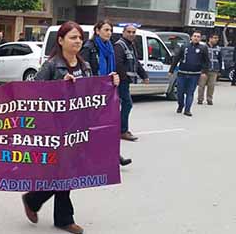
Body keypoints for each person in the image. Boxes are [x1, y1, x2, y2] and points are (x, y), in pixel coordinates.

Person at [22, 21, 120, 234]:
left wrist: (110, 83)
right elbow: (34, 92)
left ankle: (34, 199)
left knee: (66, 172)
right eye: (72, 37)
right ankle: (61, 216)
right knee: (64, 171)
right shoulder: (51, 66)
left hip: (78, 129)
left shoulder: (84, 66)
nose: (77, 41)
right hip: (54, 130)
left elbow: (93, 93)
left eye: (79, 38)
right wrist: (59, 87)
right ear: (61, 40)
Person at [81, 20, 132, 166]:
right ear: (97, 31)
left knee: (108, 126)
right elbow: (85, 72)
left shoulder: (110, 47)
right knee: (92, 128)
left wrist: (113, 78)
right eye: (106, 30)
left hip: (107, 92)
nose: (109, 33)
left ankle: (114, 155)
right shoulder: (89, 47)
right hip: (93, 93)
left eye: (110, 30)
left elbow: (113, 68)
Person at [114, 24, 149, 141]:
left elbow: (136, 63)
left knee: (123, 105)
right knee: (127, 104)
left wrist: (144, 76)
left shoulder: (131, 45)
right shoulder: (119, 45)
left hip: (125, 82)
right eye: (129, 32)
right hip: (121, 82)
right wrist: (124, 78)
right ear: (123, 32)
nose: (131, 34)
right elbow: (118, 64)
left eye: (133, 32)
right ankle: (122, 131)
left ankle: (120, 129)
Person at [168, 31, 209, 117]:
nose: (196, 38)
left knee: (190, 93)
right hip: (182, 73)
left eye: (198, 36)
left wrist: (204, 72)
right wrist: (171, 70)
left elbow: (206, 61)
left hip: (194, 74)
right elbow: (177, 58)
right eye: (194, 36)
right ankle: (180, 105)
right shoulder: (184, 47)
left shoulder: (203, 48)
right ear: (191, 37)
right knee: (180, 92)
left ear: (200, 38)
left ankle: (187, 110)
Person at [197, 34, 222, 105]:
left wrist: (220, 70)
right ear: (210, 39)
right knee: (201, 85)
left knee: (211, 86)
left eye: (217, 38)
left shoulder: (218, 48)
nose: (216, 40)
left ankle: (209, 99)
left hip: (214, 70)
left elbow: (220, 59)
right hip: (204, 70)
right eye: (215, 38)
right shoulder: (204, 47)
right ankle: (200, 99)